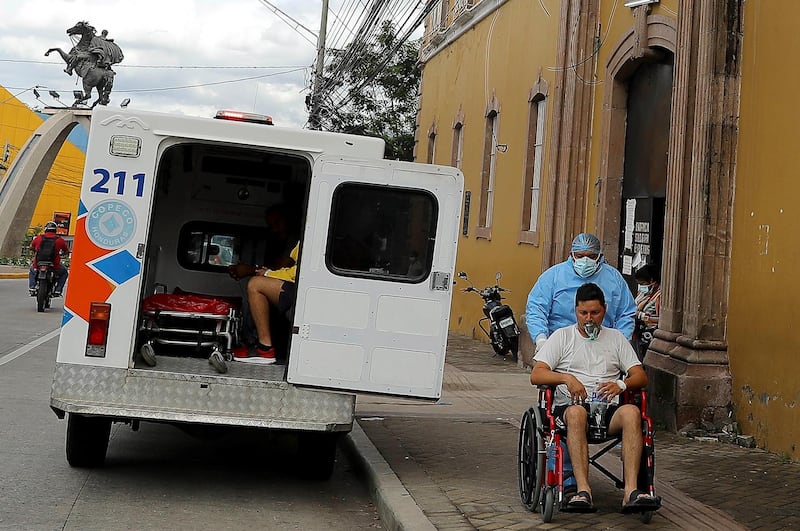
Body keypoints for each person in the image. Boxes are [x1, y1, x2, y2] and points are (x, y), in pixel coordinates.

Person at [530, 282, 660, 514]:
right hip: (571, 408)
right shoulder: (562, 337)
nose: (589, 319)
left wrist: (621, 384)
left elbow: (640, 376)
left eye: (595, 313)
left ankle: (631, 491)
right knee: (577, 413)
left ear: (604, 311)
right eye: (583, 313)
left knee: (632, 412)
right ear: (576, 312)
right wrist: (566, 379)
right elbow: (537, 374)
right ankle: (583, 491)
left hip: (607, 410)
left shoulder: (616, 338)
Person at [525, 232, 636, 493]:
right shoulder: (553, 277)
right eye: (580, 256)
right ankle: (568, 476)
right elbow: (536, 308)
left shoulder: (613, 280)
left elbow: (627, 313)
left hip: (603, 353)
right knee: (568, 411)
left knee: (630, 410)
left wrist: (620, 344)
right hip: (562, 354)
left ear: (600, 257)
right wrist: (542, 340)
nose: (585, 261)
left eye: (591, 256)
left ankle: (633, 487)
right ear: (571, 255)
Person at [29, 221, 69, 297]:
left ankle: (32, 287)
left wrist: (35, 251)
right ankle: (58, 290)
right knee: (64, 273)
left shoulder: (39, 238)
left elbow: (31, 247)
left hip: (38, 264)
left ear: (46, 229)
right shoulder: (60, 240)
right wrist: (61, 254)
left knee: (32, 270)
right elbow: (66, 251)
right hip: (55, 266)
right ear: (55, 230)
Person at [633, 264, 661, 357]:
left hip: (650, 335)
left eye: (643, 284)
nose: (641, 286)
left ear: (652, 281)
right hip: (638, 333)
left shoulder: (659, 296)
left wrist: (641, 315)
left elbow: (662, 319)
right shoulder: (643, 293)